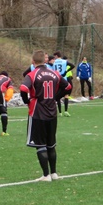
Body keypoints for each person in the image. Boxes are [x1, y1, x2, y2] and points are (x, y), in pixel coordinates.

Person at [20, 49, 72, 181]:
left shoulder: (32, 74)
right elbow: (68, 87)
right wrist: (56, 97)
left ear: (33, 61)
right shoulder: (54, 73)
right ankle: (54, 173)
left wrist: (27, 102)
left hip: (37, 111)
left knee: (40, 145)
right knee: (51, 144)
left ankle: (45, 175)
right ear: (45, 60)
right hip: (52, 111)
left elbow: (23, 89)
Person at [52, 52, 72, 116]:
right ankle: (66, 111)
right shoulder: (64, 61)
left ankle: (60, 112)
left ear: (56, 56)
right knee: (66, 95)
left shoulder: (53, 62)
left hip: (57, 80)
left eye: (54, 56)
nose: (54, 57)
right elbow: (72, 65)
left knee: (58, 96)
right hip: (64, 80)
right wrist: (66, 72)